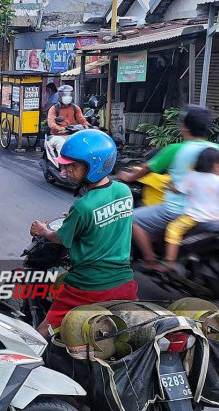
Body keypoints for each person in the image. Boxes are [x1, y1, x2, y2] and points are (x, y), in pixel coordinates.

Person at [30, 130, 138, 337]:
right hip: (124, 284)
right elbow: (108, 219)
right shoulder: (124, 192)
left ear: (94, 166)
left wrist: (42, 230)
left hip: (87, 287)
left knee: (41, 332)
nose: (67, 170)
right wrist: (78, 220)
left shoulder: (83, 207)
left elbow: (60, 238)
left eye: (74, 165)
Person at [117, 105, 219, 270]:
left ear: (184, 127)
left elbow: (147, 169)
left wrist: (128, 176)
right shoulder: (218, 149)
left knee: (131, 219)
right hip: (215, 211)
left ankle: (151, 261)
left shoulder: (175, 149)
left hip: (178, 210)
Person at [159, 147, 219, 271]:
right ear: (216, 164)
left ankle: (169, 262)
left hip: (195, 217)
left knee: (173, 230)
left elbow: (178, 190)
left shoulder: (192, 176)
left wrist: (169, 185)